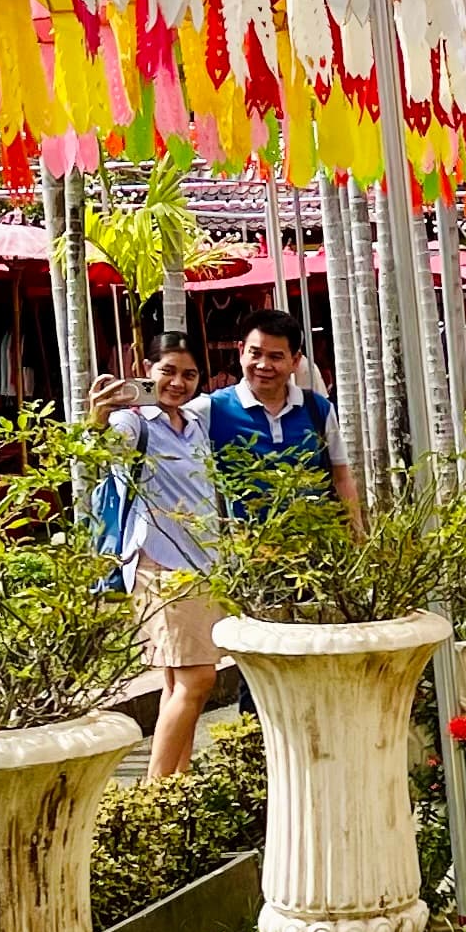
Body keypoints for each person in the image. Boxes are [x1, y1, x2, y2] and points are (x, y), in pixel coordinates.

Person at [94, 339, 221, 780]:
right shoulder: (132, 424)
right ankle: (156, 789)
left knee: (177, 682)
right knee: (198, 679)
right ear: (146, 369)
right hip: (161, 565)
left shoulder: (196, 424)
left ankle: (176, 786)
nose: (177, 383)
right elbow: (100, 453)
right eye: (168, 371)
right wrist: (97, 418)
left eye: (188, 375)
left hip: (204, 561)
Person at [208, 305, 361, 530]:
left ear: (295, 360)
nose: (263, 365)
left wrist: (357, 533)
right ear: (241, 352)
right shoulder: (213, 408)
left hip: (317, 548)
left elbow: (341, 477)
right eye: (256, 353)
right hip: (245, 552)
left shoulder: (318, 409)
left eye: (276, 357)